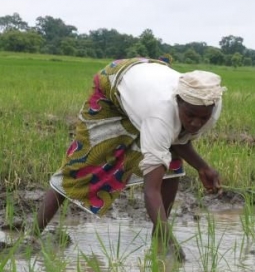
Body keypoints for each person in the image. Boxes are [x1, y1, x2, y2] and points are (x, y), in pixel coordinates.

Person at [31, 57, 225, 260]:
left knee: (172, 163)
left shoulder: (210, 104)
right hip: (115, 84)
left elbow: (178, 138)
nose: (196, 123)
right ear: (177, 101)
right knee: (81, 165)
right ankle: (32, 236)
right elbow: (151, 190)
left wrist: (203, 167)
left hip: (147, 85)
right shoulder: (159, 115)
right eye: (190, 115)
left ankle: (158, 240)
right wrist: (171, 242)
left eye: (203, 118)